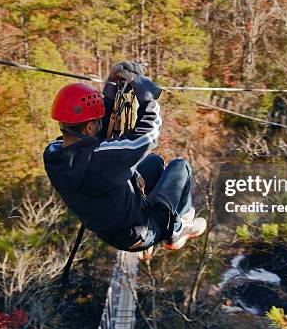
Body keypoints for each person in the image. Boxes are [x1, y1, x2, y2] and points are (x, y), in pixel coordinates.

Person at [43, 62, 206, 254]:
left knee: (154, 163)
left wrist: (112, 86)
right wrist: (147, 98)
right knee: (181, 167)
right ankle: (177, 228)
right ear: (88, 128)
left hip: (110, 226)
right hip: (140, 230)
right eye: (95, 123)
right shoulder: (100, 159)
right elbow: (147, 136)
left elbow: (93, 133)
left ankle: (162, 217)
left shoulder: (53, 153)